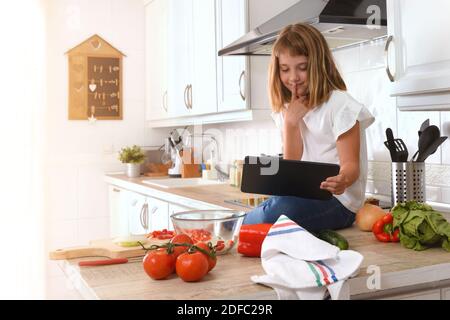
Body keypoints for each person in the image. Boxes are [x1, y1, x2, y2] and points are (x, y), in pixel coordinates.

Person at [243, 23, 375, 232]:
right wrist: (290, 123)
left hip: (340, 202)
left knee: (277, 212)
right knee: (276, 208)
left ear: (318, 65)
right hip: (304, 196)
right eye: (285, 69)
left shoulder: (340, 105)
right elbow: (291, 169)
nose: (293, 77)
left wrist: (342, 180)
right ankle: (246, 223)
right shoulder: (286, 110)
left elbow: (351, 166)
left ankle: (243, 225)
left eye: (302, 67)